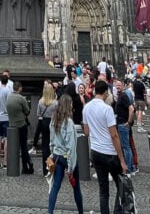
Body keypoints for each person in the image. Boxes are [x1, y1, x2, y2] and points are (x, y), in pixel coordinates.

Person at [84, 79, 127, 214]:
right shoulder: (107, 109)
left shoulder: (86, 108)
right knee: (121, 185)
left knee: (103, 190)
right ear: (106, 92)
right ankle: (117, 211)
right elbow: (114, 136)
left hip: (95, 152)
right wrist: (122, 160)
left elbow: (86, 132)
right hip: (110, 152)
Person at [48, 94, 84, 214]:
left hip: (57, 156)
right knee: (76, 187)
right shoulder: (68, 122)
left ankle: (50, 211)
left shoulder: (54, 119)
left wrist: (52, 154)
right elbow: (71, 146)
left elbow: (51, 141)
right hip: (66, 156)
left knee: (55, 186)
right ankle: (81, 211)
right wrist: (70, 166)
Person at [6, 80, 33, 174]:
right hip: (21, 124)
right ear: (20, 88)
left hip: (11, 124)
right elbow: (27, 111)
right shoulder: (21, 98)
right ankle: (25, 166)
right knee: (23, 146)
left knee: (14, 146)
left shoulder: (9, 98)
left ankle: (13, 165)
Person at [33, 80, 58, 175]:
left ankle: (45, 169)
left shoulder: (40, 102)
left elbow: (38, 114)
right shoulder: (55, 103)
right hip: (52, 123)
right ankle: (53, 167)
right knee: (53, 145)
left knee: (45, 146)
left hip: (43, 122)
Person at [0, 73, 12, 168]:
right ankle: (5, 162)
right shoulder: (8, 91)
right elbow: (9, 104)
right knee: (6, 140)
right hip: (6, 116)